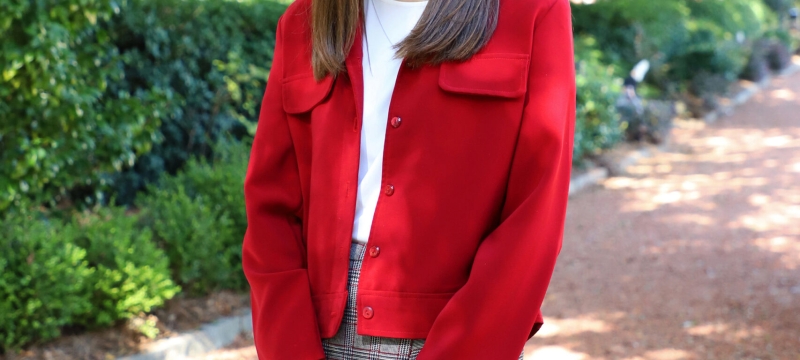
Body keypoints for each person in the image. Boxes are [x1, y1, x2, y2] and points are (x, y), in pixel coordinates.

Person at [241, 0, 576, 358]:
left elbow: (536, 211)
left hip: (460, 332)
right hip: (316, 334)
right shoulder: (302, 21)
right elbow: (269, 207)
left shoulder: (531, 10)